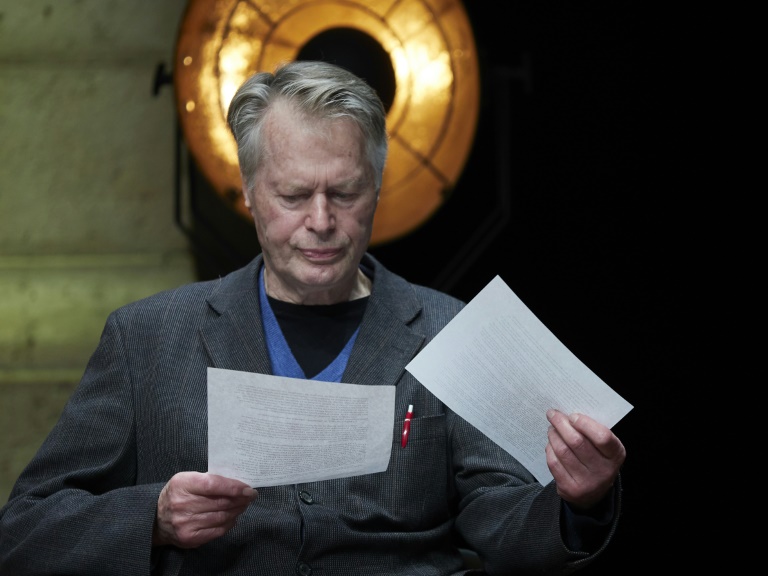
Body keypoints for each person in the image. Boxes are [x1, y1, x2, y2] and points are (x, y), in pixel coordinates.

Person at [0, 60, 626, 575]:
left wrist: (577, 501)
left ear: (377, 190)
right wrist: (154, 518)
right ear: (248, 193)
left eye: (345, 193)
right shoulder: (147, 336)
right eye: (294, 195)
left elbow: (502, 519)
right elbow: (23, 531)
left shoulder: (449, 331)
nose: (321, 221)